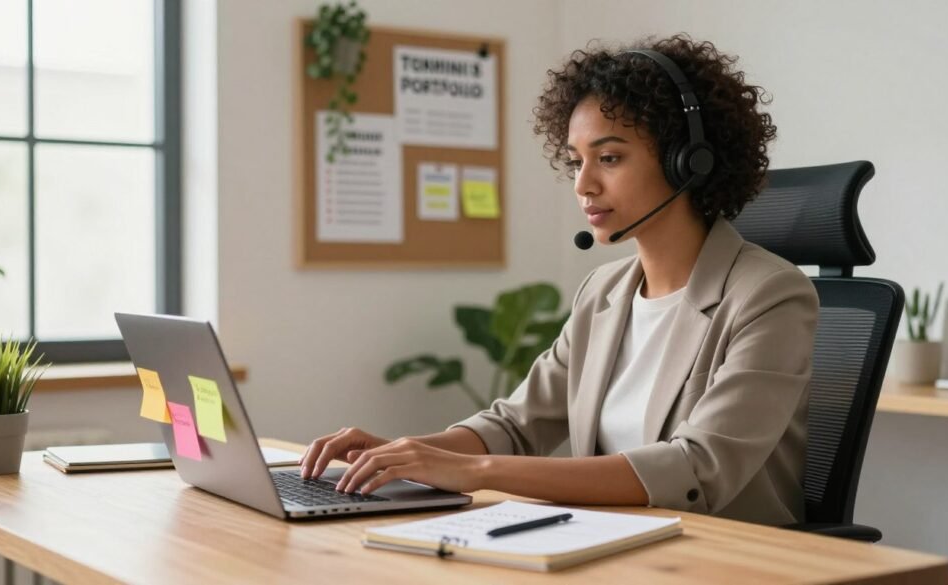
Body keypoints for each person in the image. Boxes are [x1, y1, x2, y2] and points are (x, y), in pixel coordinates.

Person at [299, 34, 819, 526]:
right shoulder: (603, 293)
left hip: (721, 558)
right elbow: (515, 426)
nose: (583, 185)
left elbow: (696, 469)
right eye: (575, 161)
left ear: (690, 163)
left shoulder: (769, 295)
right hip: (613, 546)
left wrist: (473, 474)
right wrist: (403, 454)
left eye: (609, 158)